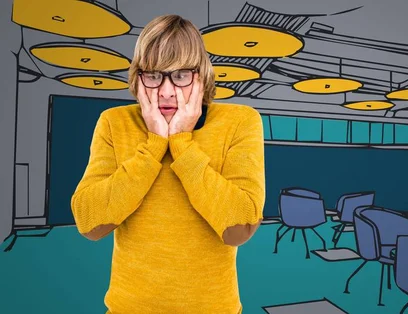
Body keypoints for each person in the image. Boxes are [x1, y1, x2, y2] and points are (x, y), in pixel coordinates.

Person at [70, 14, 265, 314]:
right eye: (153, 75)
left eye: (181, 75)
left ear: (202, 76)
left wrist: (182, 144)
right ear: (138, 78)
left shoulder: (240, 122)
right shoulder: (113, 123)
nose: (165, 91)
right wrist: (154, 146)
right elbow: (89, 221)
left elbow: (240, 226)